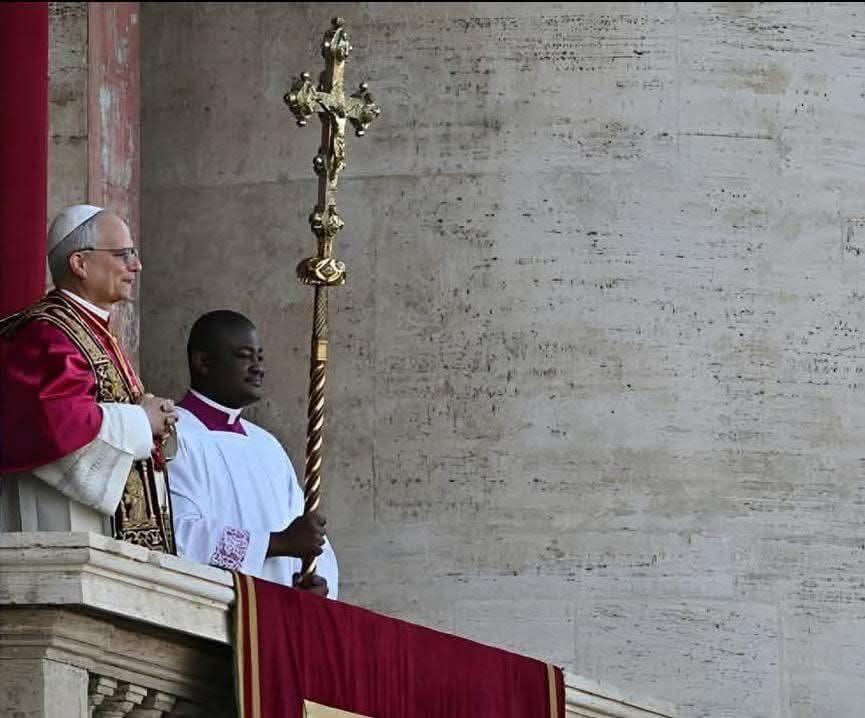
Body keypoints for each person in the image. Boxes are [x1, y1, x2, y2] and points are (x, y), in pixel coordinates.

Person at [0, 204, 178, 552]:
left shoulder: (94, 331)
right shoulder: (48, 333)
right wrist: (141, 421)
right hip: (62, 534)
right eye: (123, 254)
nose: (136, 265)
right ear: (80, 264)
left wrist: (157, 418)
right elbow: (52, 423)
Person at [168, 310, 337, 598]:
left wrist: (317, 579)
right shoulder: (172, 434)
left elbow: (306, 532)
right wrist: (278, 543)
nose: (258, 367)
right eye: (244, 356)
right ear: (203, 362)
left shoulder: (266, 445)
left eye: (259, 357)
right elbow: (178, 535)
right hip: (217, 613)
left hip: (281, 610)